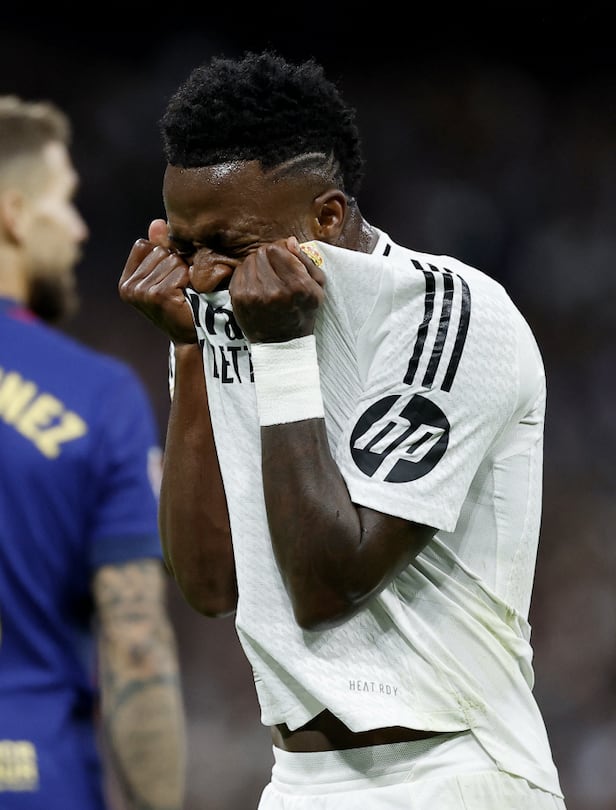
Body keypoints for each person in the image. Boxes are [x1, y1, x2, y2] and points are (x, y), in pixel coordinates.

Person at [118, 50, 567, 809]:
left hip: (450, 769)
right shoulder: (223, 310)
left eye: (229, 245)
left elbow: (330, 583)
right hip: (298, 778)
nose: (202, 276)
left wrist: (282, 352)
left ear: (325, 217)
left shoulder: (447, 315)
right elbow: (209, 583)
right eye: (184, 247)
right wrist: (191, 350)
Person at [0, 95, 187, 810]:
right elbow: (137, 648)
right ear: (15, 214)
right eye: (65, 201)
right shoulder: (96, 397)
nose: (79, 229)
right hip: (34, 776)